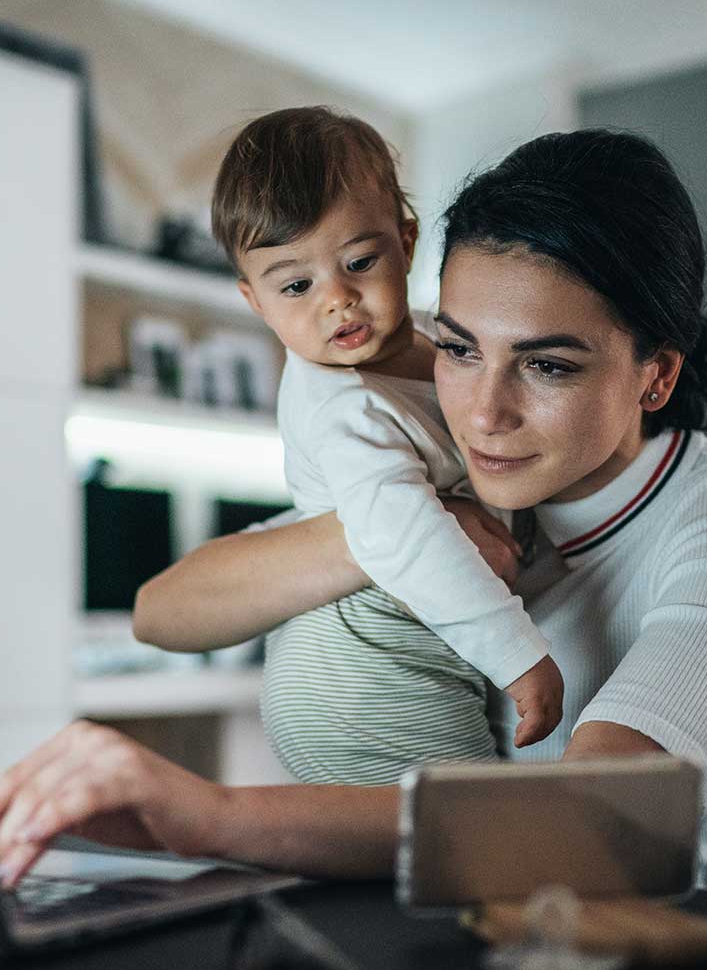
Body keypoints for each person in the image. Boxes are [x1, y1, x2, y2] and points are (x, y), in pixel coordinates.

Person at [0, 129, 707, 890]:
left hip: (605, 962)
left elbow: (599, 820)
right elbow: (161, 613)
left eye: (548, 366)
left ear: (655, 376)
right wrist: (385, 537)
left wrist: (210, 817)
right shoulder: (425, 471)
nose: (483, 413)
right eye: (457, 348)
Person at [208, 106, 562, 787]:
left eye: (359, 262)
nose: (338, 300)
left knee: (442, 860)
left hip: (409, 649)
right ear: (256, 301)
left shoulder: (442, 341)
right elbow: (406, 538)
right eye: (296, 285)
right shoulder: (343, 405)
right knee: (472, 837)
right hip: (367, 674)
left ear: (407, 242)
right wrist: (519, 656)